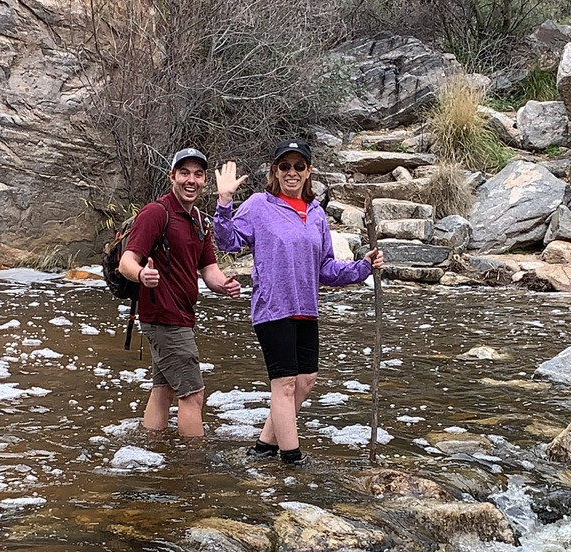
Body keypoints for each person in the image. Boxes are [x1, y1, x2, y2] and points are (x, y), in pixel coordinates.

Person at [213, 138, 384, 466]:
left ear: (309, 172)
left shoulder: (317, 213)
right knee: (285, 385)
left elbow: (326, 269)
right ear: (275, 171)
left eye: (299, 166)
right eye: (285, 166)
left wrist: (363, 266)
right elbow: (227, 242)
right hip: (272, 308)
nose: (292, 172)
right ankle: (292, 459)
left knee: (305, 382)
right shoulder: (259, 205)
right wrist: (225, 201)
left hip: (306, 308)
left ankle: (264, 446)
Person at [119, 147, 241, 437]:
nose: (191, 180)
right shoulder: (155, 213)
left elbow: (209, 270)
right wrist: (142, 274)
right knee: (193, 395)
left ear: (204, 182)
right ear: (171, 176)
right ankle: (192, 468)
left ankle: (153, 447)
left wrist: (224, 285)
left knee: (164, 390)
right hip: (163, 316)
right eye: (184, 173)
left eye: (198, 175)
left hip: (180, 317)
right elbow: (126, 262)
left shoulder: (199, 219)